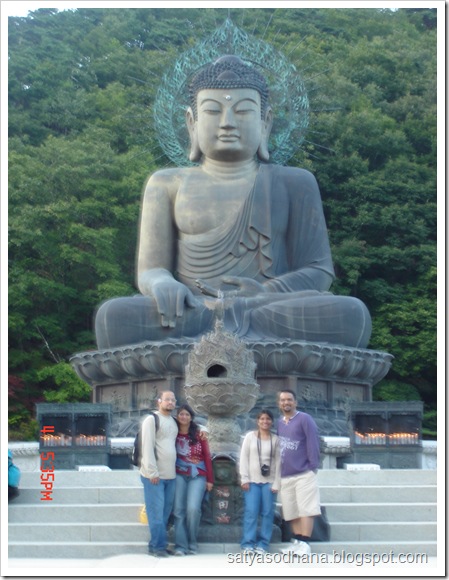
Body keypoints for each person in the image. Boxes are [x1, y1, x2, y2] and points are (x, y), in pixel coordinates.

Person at [94, 55, 372, 350]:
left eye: (243, 111)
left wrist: (266, 292)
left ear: (266, 122)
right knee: (113, 317)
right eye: (213, 111)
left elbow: (319, 271)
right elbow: (150, 269)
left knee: (351, 314)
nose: (227, 123)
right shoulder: (166, 183)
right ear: (192, 123)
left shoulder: (295, 182)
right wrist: (163, 284)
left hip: (268, 308)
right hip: (193, 310)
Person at [277, 389, 321, 556]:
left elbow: (312, 442)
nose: (286, 403)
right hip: (286, 474)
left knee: (306, 509)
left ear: (295, 402)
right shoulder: (280, 422)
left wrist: (312, 466)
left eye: (289, 399)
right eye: (282, 400)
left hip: (303, 472)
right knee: (291, 511)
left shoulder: (304, 419)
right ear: (279, 403)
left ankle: (305, 543)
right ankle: (297, 541)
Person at [140, 391, 178, 558]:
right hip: (154, 476)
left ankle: (156, 544)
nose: (170, 402)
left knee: (164, 513)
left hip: (171, 475)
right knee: (156, 513)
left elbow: (191, 426)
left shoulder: (173, 421)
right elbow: (147, 446)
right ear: (159, 402)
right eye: (167, 399)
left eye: (173, 400)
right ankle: (158, 547)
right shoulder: (151, 420)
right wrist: (152, 472)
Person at [173, 404, 214, 556]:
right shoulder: (173, 432)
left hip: (198, 475)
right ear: (177, 417)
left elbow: (207, 457)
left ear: (191, 417)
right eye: (181, 414)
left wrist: (210, 480)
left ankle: (192, 541)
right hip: (178, 474)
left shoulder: (199, 434)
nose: (183, 417)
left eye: (187, 414)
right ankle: (180, 545)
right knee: (178, 510)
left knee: (193, 509)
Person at [239, 409, 280, 555]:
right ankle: (248, 543)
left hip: (269, 481)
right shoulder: (250, 437)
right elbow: (243, 458)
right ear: (257, 421)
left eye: (268, 419)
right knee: (251, 511)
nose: (265, 421)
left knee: (268, 512)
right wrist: (244, 478)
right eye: (262, 419)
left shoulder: (275, 439)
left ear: (272, 421)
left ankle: (263, 544)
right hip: (252, 481)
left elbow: (279, 462)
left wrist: (277, 483)